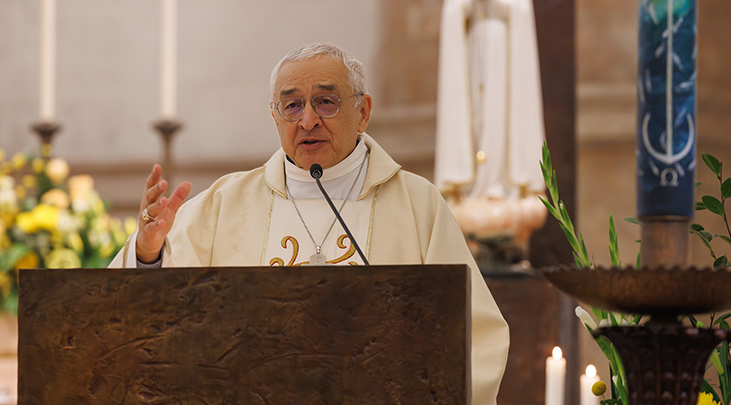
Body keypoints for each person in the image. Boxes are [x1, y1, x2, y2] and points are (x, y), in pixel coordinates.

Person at [109, 43, 509, 404]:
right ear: (275, 115)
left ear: (363, 112)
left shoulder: (416, 204)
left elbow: (475, 335)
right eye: (292, 105)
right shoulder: (224, 204)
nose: (308, 120)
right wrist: (147, 251)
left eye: (326, 102)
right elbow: (146, 322)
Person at [435, 0, 545, 202]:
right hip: (473, 49)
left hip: (501, 50)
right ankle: (472, 182)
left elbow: (520, 13)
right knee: (476, 113)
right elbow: (453, 12)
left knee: (498, 111)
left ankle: (497, 180)